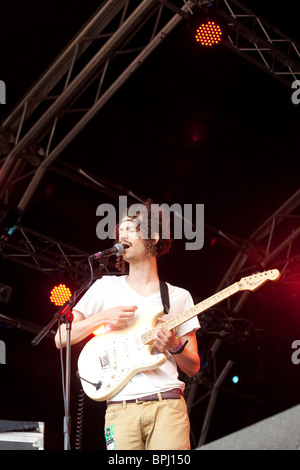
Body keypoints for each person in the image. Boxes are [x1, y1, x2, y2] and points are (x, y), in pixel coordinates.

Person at [55, 201, 200, 450]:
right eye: (120, 231)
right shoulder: (105, 287)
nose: (122, 235)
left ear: (153, 238)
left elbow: (193, 366)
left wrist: (174, 345)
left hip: (167, 405)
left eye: (131, 229)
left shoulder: (178, 297)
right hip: (120, 410)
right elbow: (61, 337)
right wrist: (102, 318)